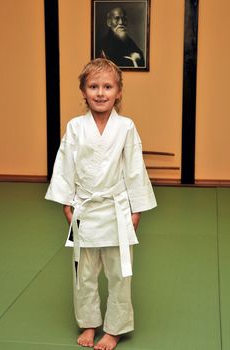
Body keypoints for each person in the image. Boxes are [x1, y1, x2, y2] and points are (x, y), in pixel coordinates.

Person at [45, 58, 157, 349]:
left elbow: (134, 169)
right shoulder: (75, 127)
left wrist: (136, 209)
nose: (100, 92)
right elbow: (64, 166)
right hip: (84, 208)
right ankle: (89, 323)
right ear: (83, 91)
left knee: (120, 273)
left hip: (116, 209)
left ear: (119, 92)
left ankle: (115, 328)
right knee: (84, 272)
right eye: (93, 86)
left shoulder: (126, 127)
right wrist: (67, 203)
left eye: (107, 86)